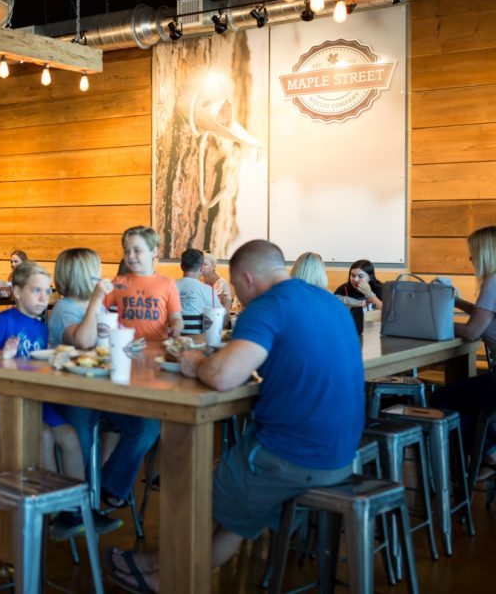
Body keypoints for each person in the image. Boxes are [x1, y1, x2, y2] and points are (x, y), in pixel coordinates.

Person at [104, 240, 363, 593]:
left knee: (197, 494)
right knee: (234, 516)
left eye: (238, 287)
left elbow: (224, 378)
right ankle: (159, 570)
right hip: (344, 454)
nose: (239, 295)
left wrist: (195, 362)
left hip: (291, 454)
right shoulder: (328, 301)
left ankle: (162, 576)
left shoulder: (268, 306)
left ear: (246, 277)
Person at [0, 261, 112, 538]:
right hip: (3, 402)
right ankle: (56, 510)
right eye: (36, 291)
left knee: (71, 436)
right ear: (16, 292)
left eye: (46, 291)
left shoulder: (42, 327)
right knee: (46, 436)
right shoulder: (4, 320)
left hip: (34, 399)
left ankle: (78, 506)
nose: (42, 297)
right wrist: (3, 355)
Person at [49, 248, 161, 513]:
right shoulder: (64, 309)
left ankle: (109, 485)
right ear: (83, 275)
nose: (100, 275)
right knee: (84, 443)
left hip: (105, 391)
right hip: (72, 392)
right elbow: (84, 341)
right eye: (95, 270)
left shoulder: (98, 306)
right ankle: (82, 505)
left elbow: (112, 342)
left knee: (148, 425)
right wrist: (97, 298)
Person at [431, 226, 496, 479]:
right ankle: (489, 451)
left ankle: (488, 455)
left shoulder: (492, 282)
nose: (471, 259)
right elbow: (485, 317)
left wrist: (434, 326)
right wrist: (457, 302)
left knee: (441, 399)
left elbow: (471, 332)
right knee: (466, 398)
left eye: (473, 253)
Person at [104, 226, 184, 341]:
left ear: (154, 252)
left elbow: (176, 317)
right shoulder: (118, 281)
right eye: (127, 251)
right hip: (126, 347)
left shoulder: (168, 283)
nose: (130, 256)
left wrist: (176, 328)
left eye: (137, 250)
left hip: (157, 348)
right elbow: (99, 309)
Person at [177, 247, 220, 322]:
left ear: (181, 267)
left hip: (174, 333)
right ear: (201, 268)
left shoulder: (169, 286)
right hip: (199, 334)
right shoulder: (208, 290)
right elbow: (221, 316)